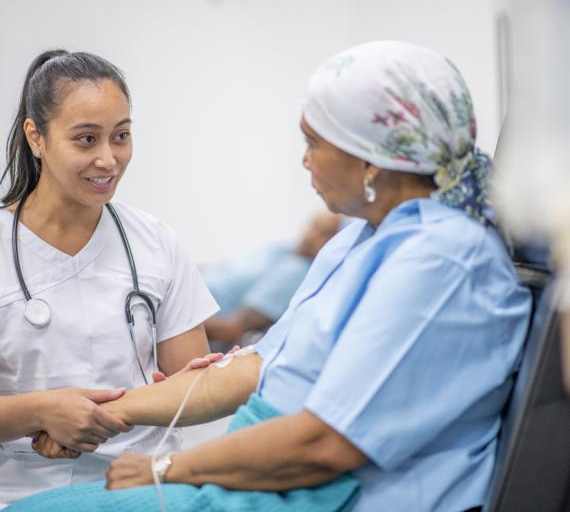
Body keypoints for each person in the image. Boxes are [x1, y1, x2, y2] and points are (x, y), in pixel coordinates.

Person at [12, 41, 531, 512]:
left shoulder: (439, 261)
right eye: (86, 139)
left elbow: (323, 443)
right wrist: (96, 414)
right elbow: (253, 368)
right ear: (37, 137)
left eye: (314, 141)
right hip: (261, 467)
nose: (305, 160)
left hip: (328, 489)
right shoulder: (360, 239)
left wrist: (168, 467)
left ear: (370, 159)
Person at [0, 50, 219, 506]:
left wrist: (107, 413)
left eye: (121, 136)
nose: (108, 160)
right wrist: (39, 412)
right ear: (35, 136)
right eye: (86, 140)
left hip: (139, 484)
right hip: (20, 490)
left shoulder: (154, 242)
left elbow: (196, 390)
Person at [203, 211, 341, 349]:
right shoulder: (285, 248)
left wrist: (187, 316)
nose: (312, 236)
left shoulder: (296, 273)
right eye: (314, 226)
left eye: (325, 234)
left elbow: (229, 331)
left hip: (197, 321)